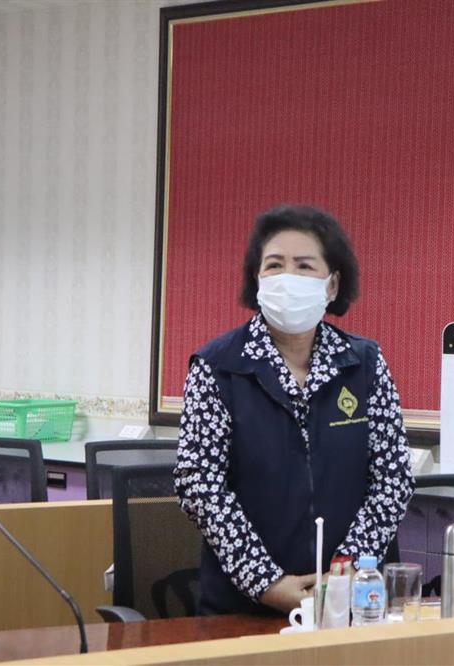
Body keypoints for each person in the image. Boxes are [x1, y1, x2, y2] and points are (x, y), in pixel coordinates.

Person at [174, 204, 414, 615]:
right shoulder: (218, 367)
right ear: (257, 280)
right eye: (274, 265)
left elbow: (393, 477)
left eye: (304, 266)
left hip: (353, 600)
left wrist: (347, 570)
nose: (288, 277)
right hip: (244, 606)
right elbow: (199, 484)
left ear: (332, 285)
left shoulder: (364, 364)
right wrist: (266, 583)